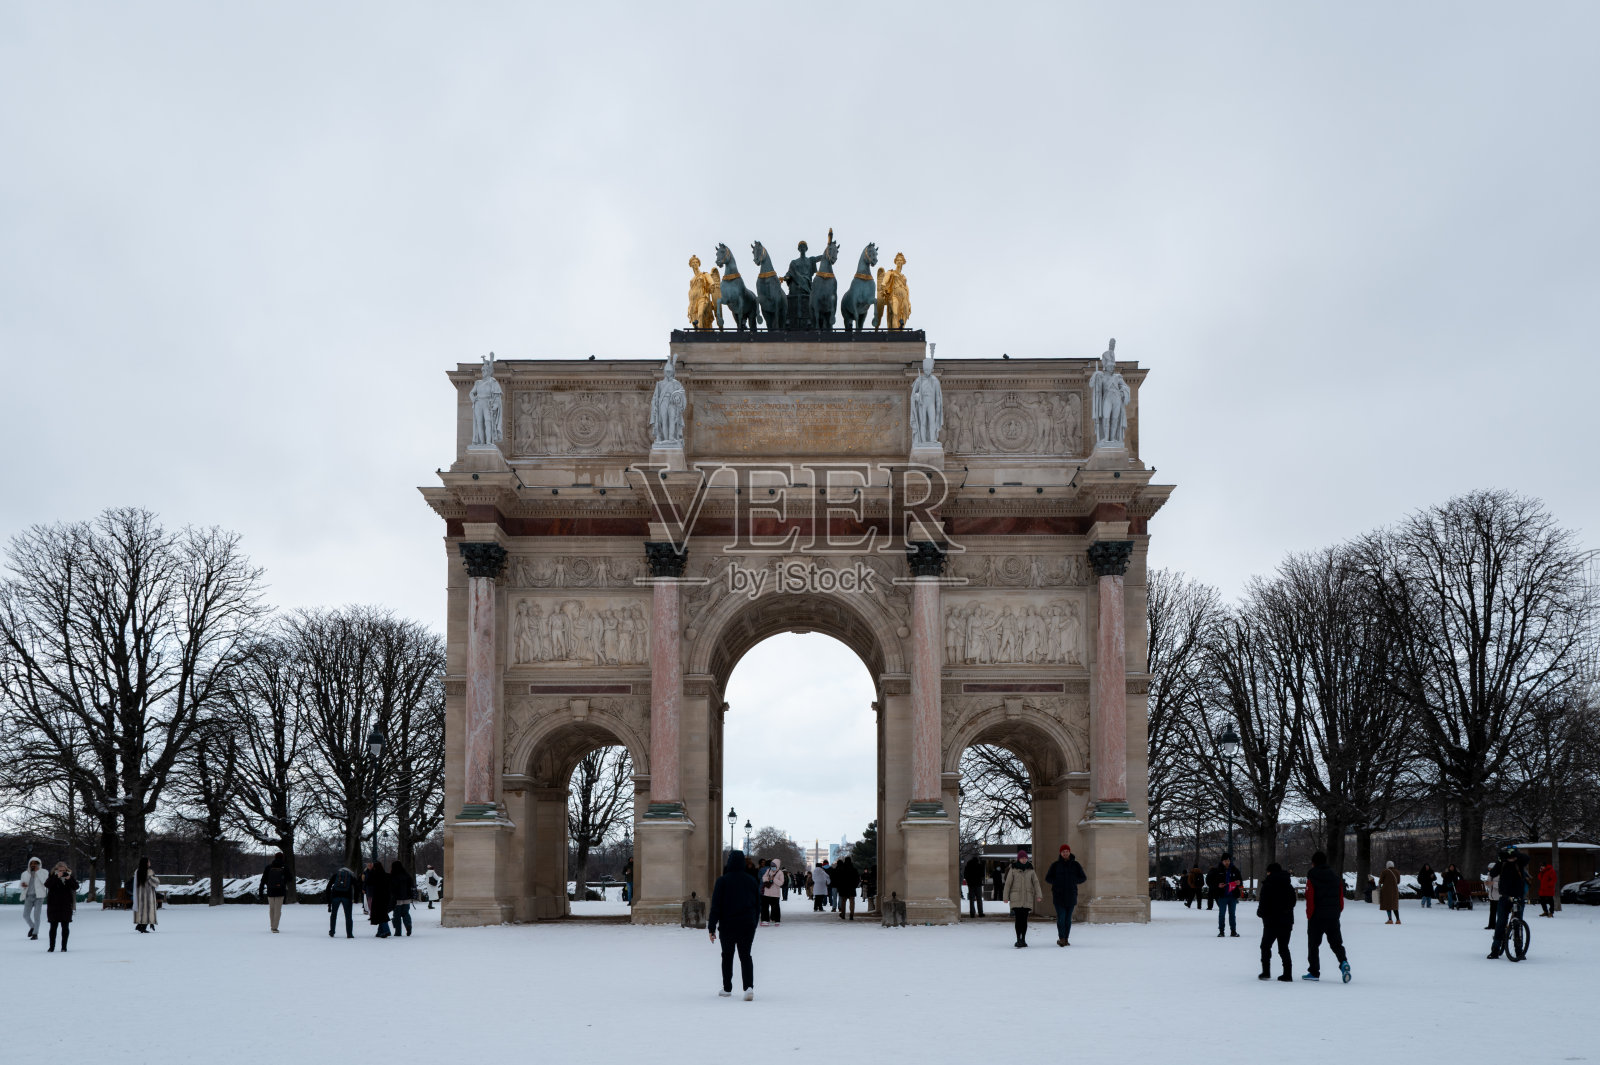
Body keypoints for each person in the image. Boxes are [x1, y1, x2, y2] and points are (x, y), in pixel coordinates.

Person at [708, 849, 760, 1001]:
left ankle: (727, 988)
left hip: (728, 924)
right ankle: (748, 987)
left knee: (727, 956)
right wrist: (754, 922)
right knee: (745, 956)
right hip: (747, 924)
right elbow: (758, 905)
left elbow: (715, 906)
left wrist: (711, 927)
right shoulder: (751, 881)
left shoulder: (722, 881)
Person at [1302, 851, 1351, 983]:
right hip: (1333, 915)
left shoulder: (1311, 876)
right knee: (1336, 943)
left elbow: (1310, 897)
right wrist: (1337, 911)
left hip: (1317, 916)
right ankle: (1343, 962)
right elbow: (1340, 897)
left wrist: (1309, 915)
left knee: (1313, 944)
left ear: (1314, 863)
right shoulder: (1335, 877)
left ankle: (1314, 971)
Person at [1256, 862, 1296, 982]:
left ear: (1270, 872)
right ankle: (1287, 974)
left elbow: (1263, 904)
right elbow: (1293, 902)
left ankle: (1266, 971)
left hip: (1271, 922)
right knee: (1284, 947)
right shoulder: (1288, 885)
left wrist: (1260, 913)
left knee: (1265, 946)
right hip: (1286, 921)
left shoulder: (1267, 885)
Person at [1487, 846, 1528, 959]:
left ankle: (1519, 950)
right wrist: (1500, 860)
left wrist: (1516, 855)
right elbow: (1493, 873)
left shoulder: (1519, 862)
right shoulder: (1503, 863)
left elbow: (1526, 858)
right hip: (1504, 897)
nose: (1510, 858)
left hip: (1518, 897)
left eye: (1512, 856)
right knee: (1500, 922)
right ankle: (1495, 949)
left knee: (1518, 924)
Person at [1044, 844, 1086, 947]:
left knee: (1068, 919)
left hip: (1071, 895)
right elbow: (1048, 878)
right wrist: (1057, 882)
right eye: (1063, 851)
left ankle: (1066, 938)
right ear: (1060, 853)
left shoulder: (1076, 865)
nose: (1065, 853)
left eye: (1067, 851)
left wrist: (1074, 881)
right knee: (1061, 918)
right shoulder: (1055, 865)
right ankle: (1061, 938)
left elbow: (1083, 877)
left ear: (1069, 852)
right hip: (1059, 896)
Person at [1001, 848, 1043, 948]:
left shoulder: (1031, 869)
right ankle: (1018, 939)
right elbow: (1008, 884)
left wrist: (1039, 895)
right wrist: (1005, 897)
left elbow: (1036, 883)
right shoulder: (1013, 869)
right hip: (1016, 898)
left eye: (1025, 858)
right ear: (1018, 859)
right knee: (1018, 919)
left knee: (1024, 920)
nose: (1024, 860)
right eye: (1022, 858)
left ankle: (1023, 939)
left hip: (1027, 898)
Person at [45, 861, 78, 953]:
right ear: (56, 870)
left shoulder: (69, 876)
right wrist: (57, 877)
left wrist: (69, 878)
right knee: (53, 927)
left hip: (66, 905)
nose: (62, 872)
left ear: (66, 870)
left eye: (63, 870)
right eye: (60, 870)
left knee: (65, 927)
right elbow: (47, 885)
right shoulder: (52, 876)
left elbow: (75, 886)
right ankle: (51, 947)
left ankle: (64, 947)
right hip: (53, 905)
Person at [260, 853, 289, 933]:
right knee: (278, 910)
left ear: (275, 857)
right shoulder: (285, 867)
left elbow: (263, 879)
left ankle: (272, 925)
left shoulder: (268, 867)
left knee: (272, 909)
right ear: (282, 858)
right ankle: (274, 927)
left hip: (270, 891)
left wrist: (261, 890)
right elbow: (290, 878)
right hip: (280, 891)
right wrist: (283, 881)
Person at [1215, 854, 1242, 938]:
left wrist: (1239, 882)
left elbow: (1240, 881)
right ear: (1222, 861)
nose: (1227, 862)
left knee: (1232, 914)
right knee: (1222, 914)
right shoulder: (1217, 870)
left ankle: (1233, 931)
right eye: (1225, 861)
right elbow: (1211, 881)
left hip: (1232, 896)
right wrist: (1218, 885)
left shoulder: (1235, 870)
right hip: (1222, 896)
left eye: (1228, 861)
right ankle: (1221, 931)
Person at [20, 857, 47, 941]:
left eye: (36, 863)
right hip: (28, 896)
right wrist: (22, 885)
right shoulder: (25, 873)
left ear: (39, 864)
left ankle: (35, 933)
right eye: (32, 863)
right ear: (29, 864)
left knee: (36, 915)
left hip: (39, 896)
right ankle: (32, 927)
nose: (33, 865)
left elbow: (45, 882)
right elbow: (21, 884)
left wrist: (37, 871)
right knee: (25, 915)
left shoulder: (44, 872)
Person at [328, 865, 357, 938]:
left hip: (335, 896)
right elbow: (357, 887)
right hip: (347, 897)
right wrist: (355, 898)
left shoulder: (336, 875)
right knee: (348, 916)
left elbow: (328, 886)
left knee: (334, 915)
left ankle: (332, 931)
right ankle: (349, 933)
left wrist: (329, 899)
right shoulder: (351, 876)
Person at [365, 860, 392, 938]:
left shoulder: (374, 875)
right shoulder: (387, 876)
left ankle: (386, 931)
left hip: (377, 897)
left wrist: (370, 871)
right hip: (386, 897)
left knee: (381, 914)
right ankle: (380, 931)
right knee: (382, 913)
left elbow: (367, 882)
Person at [132, 856, 159, 933]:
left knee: (141, 910)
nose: (150, 863)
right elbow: (155, 883)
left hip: (139, 894)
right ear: (146, 863)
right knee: (148, 910)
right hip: (148, 894)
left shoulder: (137, 871)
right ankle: (143, 927)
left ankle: (140, 924)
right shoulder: (149, 872)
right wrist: (155, 879)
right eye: (149, 861)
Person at [389, 861, 414, 936]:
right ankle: (408, 925)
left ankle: (398, 932)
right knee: (406, 913)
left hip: (397, 899)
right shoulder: (407, 875)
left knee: (397, 915)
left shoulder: (393, 876)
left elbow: (391, 888)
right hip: (407, 898)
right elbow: (411, 885)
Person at [832, 856, 860, 920]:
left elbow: (838, 879)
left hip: (843, 888)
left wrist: (839, 886)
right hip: (851, 888)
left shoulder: (841, 869)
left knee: (843, 902)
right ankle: (851, 914)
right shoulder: (854, 869)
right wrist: (855, 886)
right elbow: (857, 879)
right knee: (852, 902)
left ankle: (843, 914)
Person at [759, 859, 782, 926]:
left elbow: (781, 883)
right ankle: (770, 919)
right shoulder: (771, 870)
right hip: (770, 891)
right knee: (770, 906)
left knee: (769, 906)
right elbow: (764, 878)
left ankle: (770, 919)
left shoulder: (780, 872)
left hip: (770, 891)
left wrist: (773, 879)